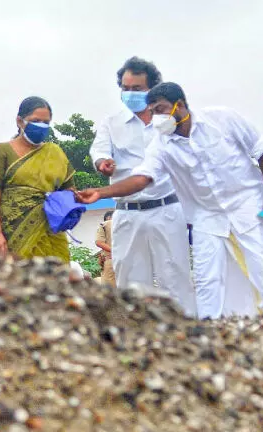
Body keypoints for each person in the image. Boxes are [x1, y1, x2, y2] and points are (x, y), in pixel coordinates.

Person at [76, 83, 263, 319]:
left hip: (247, 204)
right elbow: (142, 178)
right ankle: (212, 330)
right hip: (207, 215)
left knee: (262, 265)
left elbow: (261, 150)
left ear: (181, 105)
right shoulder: (161, 145)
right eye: (153, 111)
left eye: (162, 109)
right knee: (207, 277)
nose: (157, 117)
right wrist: (102, 193)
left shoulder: (222, 119)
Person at [90, 57, 195, 315]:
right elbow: (99, 152)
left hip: (166, 209)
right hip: (127, 212)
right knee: (130, 283)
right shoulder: (111, 123)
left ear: (151, 88)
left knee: (176, 278)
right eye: (125, 88)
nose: (130, 94)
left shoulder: (168, 123)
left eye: (136, 89)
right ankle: (139, 338)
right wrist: (103, 163)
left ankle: (186, 334)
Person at [0, 97, 75, 262]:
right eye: (35, 121)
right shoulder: (2, 152)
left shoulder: (55, 152)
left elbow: (69, 190)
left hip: (51, 233)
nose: (41, 126)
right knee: (17, 283)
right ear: (20, 121)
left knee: (56, 282)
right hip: (13, 233)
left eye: (46, 122)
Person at [95, 211, 116, 286]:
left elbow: (99, 242)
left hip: (111, 260)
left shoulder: (104, 225)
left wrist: (116, 252)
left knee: (109, 290)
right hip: (127, 260)